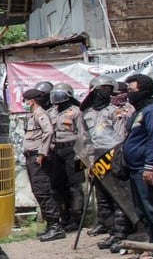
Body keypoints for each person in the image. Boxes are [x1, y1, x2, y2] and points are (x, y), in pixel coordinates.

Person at [81, 75, 135, 248]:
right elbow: (85, 140)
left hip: (113, 155)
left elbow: (121, 137)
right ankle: (111, 232)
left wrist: (117, 160)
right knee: (102, 198)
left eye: (108, 89)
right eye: (101, 89)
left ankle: (121, 234)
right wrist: (88, 163)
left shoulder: (115, 111)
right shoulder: (87, 114)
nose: (105, 93)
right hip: (95, 156)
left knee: (117, 196)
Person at [123, 73, 153, 249]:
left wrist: (149, 166)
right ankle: (152, 247)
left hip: (149, 169)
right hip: (135, 170)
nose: (128, 94)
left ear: (143, 91)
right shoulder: (138, 113)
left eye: (131, 90)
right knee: (144, 212)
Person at [22, 86, 62, 241]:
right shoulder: (33, 115)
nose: (24, 103)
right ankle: (49, 225)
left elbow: (49, 132)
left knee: (43, 191)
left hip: (38, 158)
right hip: (31, 158)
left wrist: (42, 153)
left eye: (25, 101)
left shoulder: (40, 114)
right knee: (38, 191)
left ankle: (55, 226)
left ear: (31, 101)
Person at [48, 82, 88, 233]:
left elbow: (82, 133)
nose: (58, 99)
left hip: (74, 150)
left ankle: (77, 218)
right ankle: (64, 217)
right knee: (56, 187)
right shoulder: (52, 112)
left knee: (75, 186)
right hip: (57, 150)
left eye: (61, 96)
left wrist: (83, 155)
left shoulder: (76, 112)